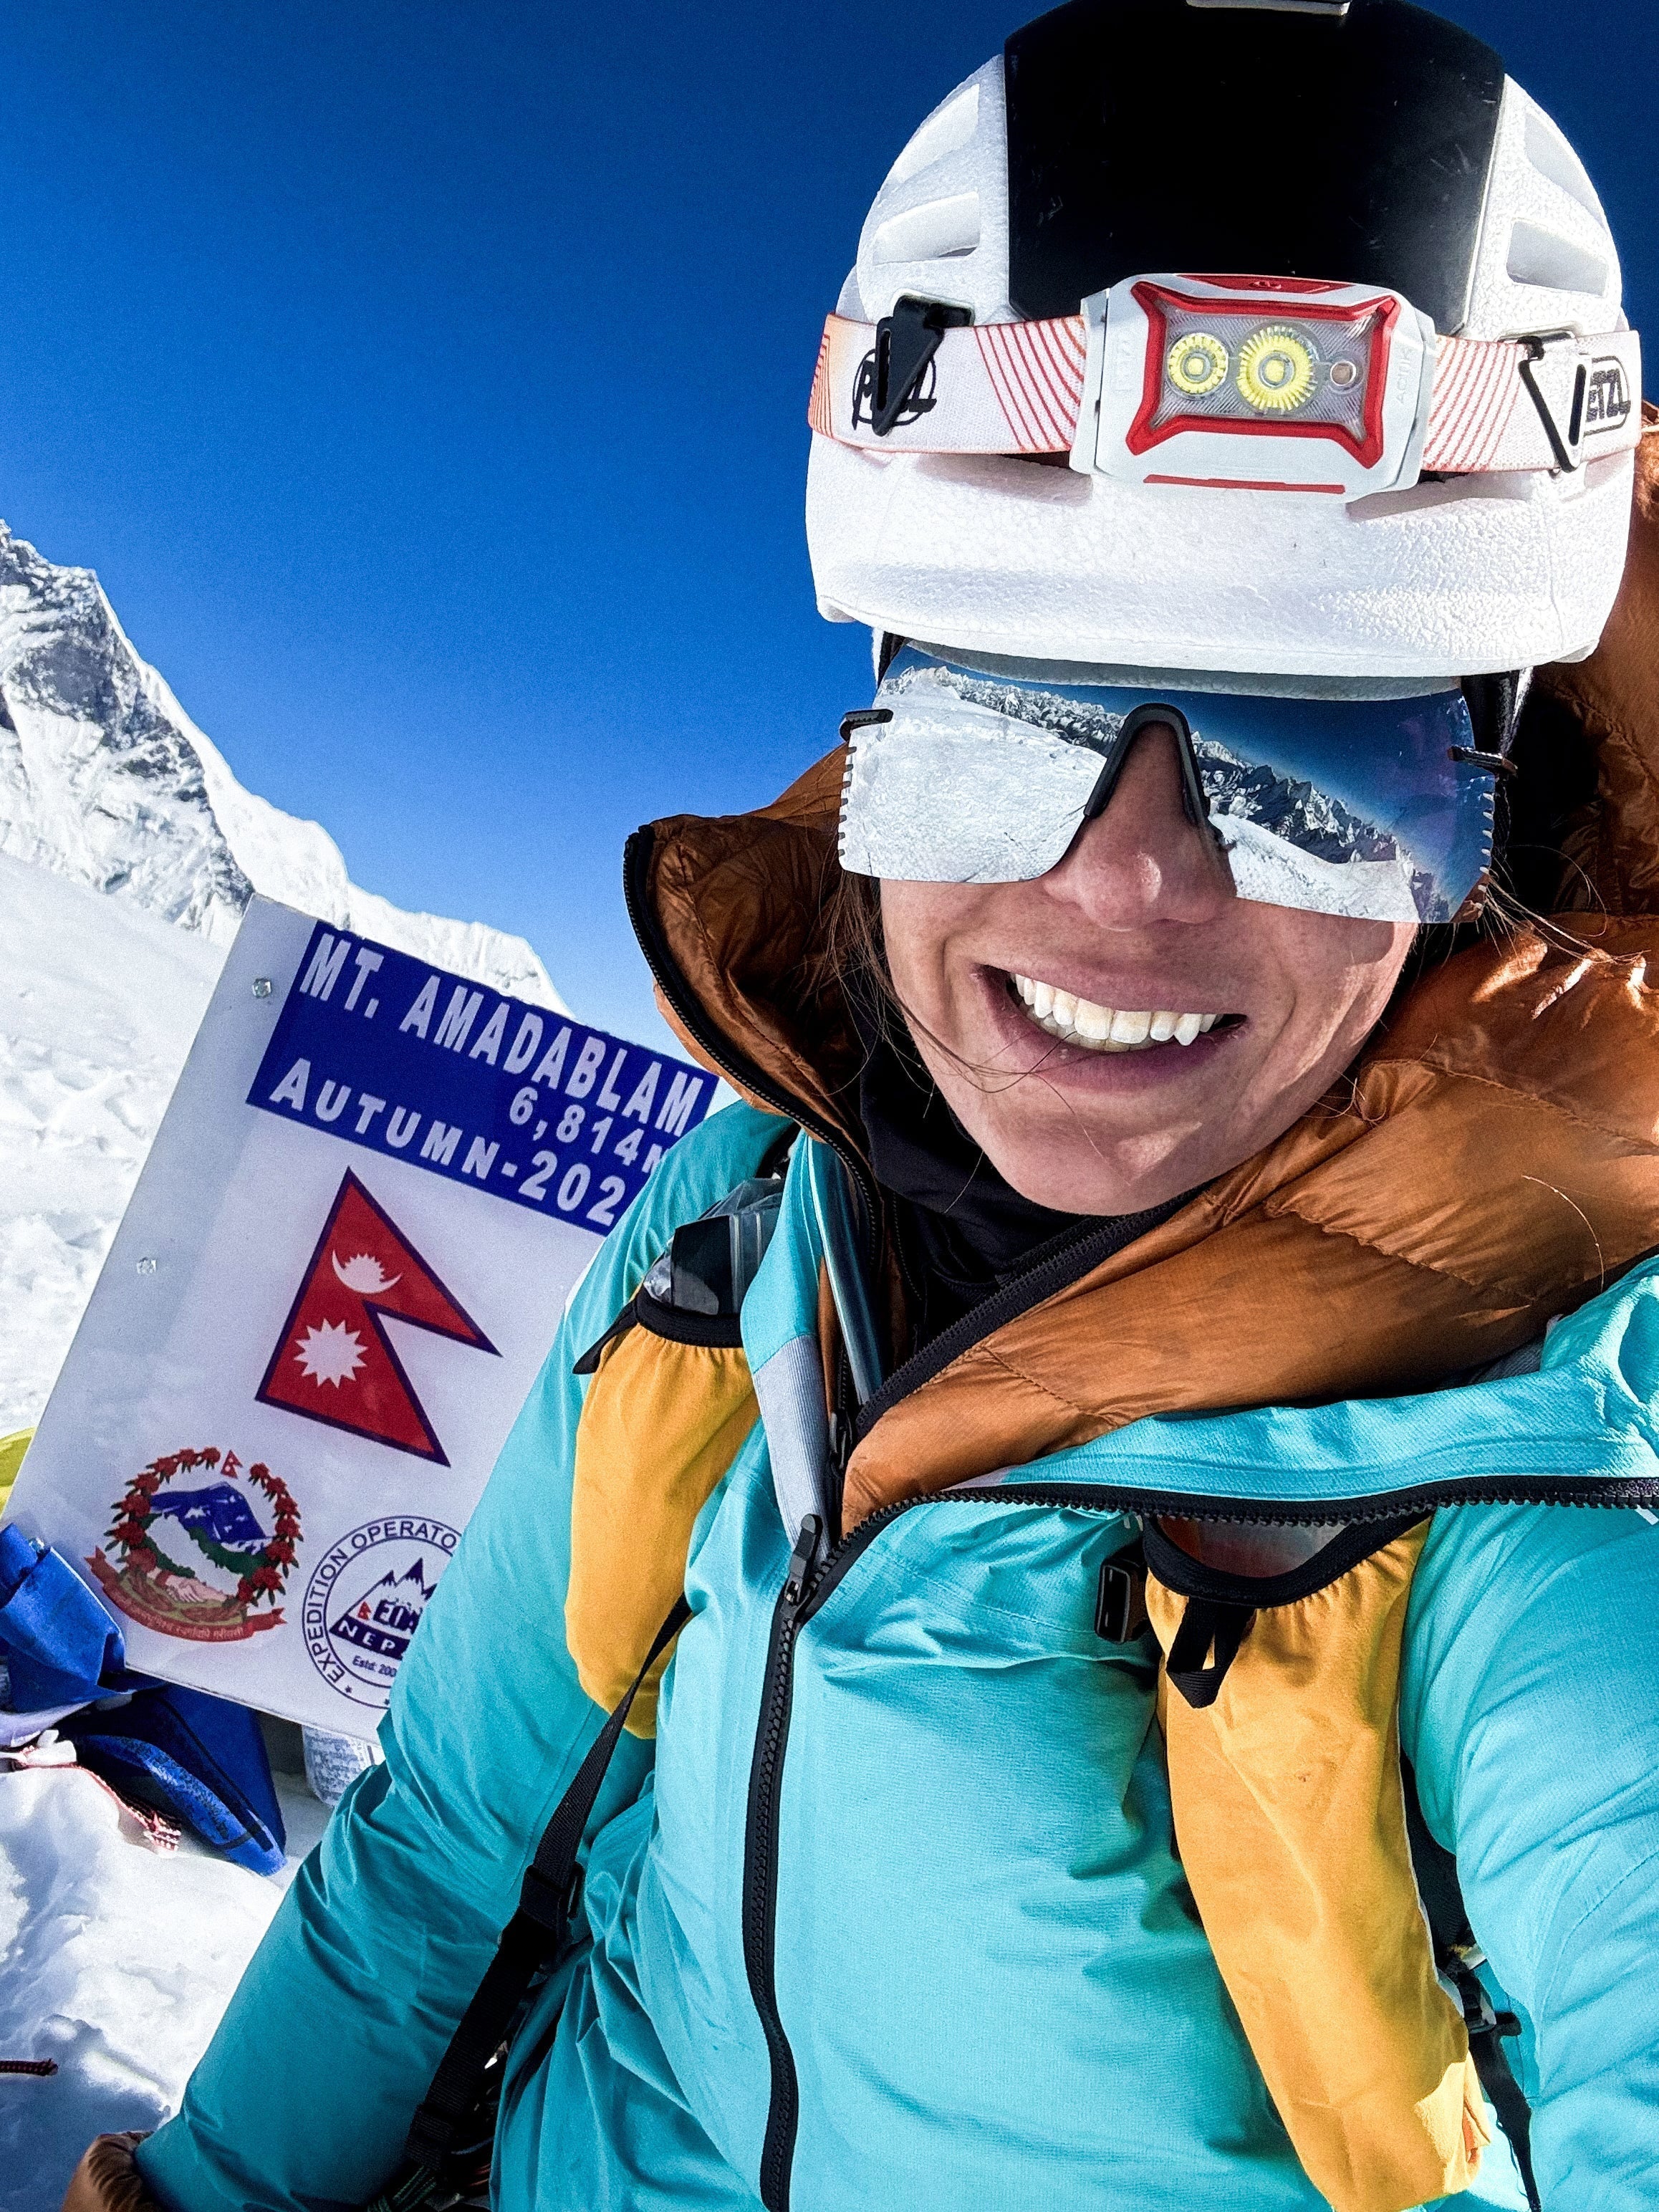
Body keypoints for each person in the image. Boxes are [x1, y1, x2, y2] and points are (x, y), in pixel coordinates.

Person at [68, 2, 1659, 2207]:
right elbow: (446, 1832)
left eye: (1323, 781)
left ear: (1473, 850)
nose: (1129, 888)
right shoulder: (743, 1227)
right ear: (864, 759)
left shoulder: (1552, 1466)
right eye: (1009, 728)